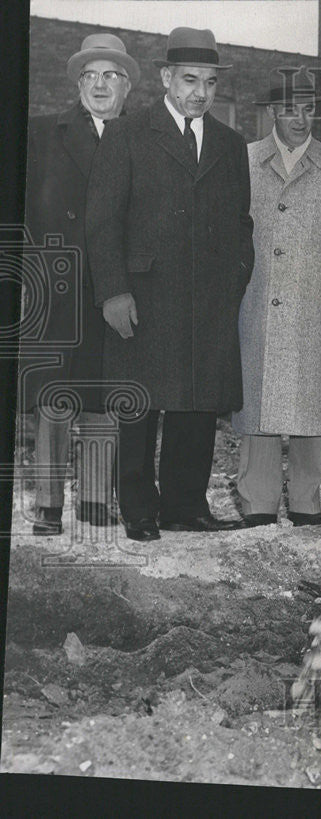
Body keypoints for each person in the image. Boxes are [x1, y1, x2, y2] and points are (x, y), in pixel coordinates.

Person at [87, 27, 254, 541]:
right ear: (165, 78)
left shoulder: (230, 144)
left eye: (208, 82)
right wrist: (113, 291)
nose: (199, 92)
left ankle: (185, 504)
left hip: (207, 297)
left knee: (196, 403)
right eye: (189, 80)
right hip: (144, 295)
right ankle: (138, 506)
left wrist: (233, 281)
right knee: (140, 403)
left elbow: (240, 222)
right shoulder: (128, 133)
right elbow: (102, 221)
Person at [232, 69, 321, 528]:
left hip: (315, 307)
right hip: (257, 302)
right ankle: (258, 502)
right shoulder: (244, 161)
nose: (300, 118)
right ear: (273, 113)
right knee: (259, 405)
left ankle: (309, 502)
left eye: (308, 109)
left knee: (313, 405)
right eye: (290, 109)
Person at [20, 33, 137, 535]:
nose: (99, 85)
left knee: (103, 397)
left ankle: (92, 502)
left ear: (127, 86)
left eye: (110, 75)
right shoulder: (41, 133)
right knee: (53, 398)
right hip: (56, 285)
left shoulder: (142, 138)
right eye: (89, 76)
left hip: (115, 289)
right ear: (78, 84)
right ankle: (46, 504)